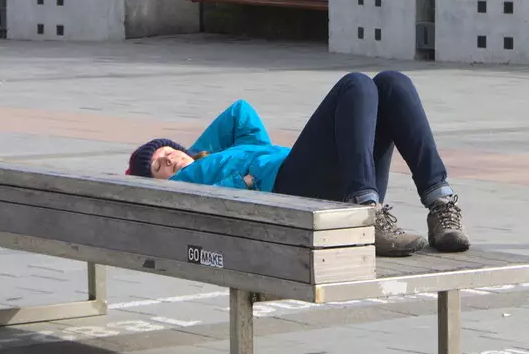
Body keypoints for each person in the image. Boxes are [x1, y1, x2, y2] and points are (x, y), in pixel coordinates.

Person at [126, 71, 469, 257]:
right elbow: (201, 207)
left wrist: (197, 152)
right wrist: (235, 183)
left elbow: (239, 111)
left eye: (166, 151)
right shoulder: (186, 183)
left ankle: (440, 205)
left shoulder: (233, 147)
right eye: (158, 166)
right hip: (289, 188)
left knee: (392, 83)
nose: (167, 159)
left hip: (329, 177)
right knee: (356, 84)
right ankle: (366, 213)